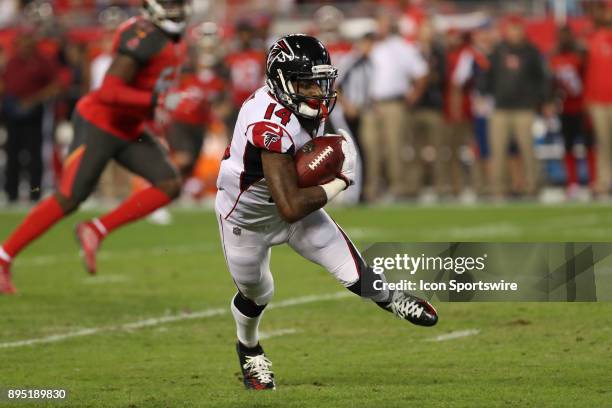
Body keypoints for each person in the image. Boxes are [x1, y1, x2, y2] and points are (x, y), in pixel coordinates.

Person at [216, 34, 438, 390]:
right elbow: (289, 207)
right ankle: (249, 349)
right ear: (281, 81)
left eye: (320, 82)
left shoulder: (300, 106)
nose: (318, 93)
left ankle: (389, 297)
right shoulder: (268, 123)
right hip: (248, 221)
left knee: (354, 273)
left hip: (295, 206)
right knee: (258, 293)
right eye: (307, 84)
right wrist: (340, 182)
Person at [0, 0, 190, 294]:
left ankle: (97, 229)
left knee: (169, 183)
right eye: (169, 2)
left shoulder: (170, 37)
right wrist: (154, 102)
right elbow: (110, 91)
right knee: (69, 197)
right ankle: (3, 257)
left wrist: (153, 115)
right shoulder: (145, 36)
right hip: (100, 123)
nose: (176, 8)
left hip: (130, 127)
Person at [1, 30, 61, 203]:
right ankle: (11, 193)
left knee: (34, 154)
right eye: (22, 43)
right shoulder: (12, 61)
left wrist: (33, 100)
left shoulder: (42, 62)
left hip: (33, 111)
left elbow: (56, 85)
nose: (25, 47)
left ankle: (35, 192)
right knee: (13, 152)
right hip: (12, 111)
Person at [549, 25, 594, 198]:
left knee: (589, 144)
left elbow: (588, 78)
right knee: (568, 146)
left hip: (582, 106)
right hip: (565, 108)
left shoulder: (580, 56)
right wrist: (551, 101)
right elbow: (551, 83)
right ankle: (572, 183)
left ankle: (592, 181)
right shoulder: (553, 58)